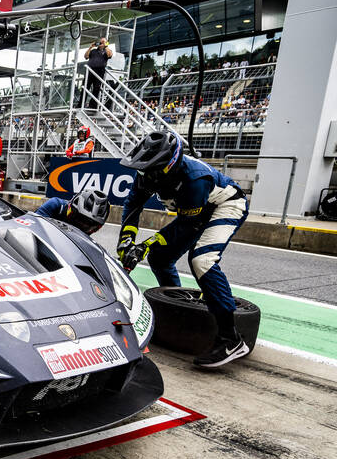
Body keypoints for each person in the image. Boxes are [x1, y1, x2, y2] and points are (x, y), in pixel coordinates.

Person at [116, 131, 249, 368]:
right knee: (160, 257)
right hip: (196, 212)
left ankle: (231, 339)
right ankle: (176, 308)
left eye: (151, 171)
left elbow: (186, 225)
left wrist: (145, 245)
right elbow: (133, 205)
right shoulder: (147, 173)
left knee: (202, 260)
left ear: (169, 166)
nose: (145, 176)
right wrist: (126, 241)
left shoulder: (195, 180)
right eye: (143, 170)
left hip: (225, 206)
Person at [35, 187, 110, 235]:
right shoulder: (54, 205)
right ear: (69, 207)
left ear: (96, 228)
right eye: (78, 219)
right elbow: (34, 226)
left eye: (86, 226)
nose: (78, 227)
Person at [82, 37, 113, 109]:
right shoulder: (93, 51)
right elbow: (86, 56)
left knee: (96, 88)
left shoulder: (107, 51)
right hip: (90, 70)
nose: (101, 43)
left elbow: (109, 55)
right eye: (100, 42)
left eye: (102, 42)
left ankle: (92, 105)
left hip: (99, 71)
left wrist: (106, 46)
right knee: (85, 87)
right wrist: (91, 47)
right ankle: (81, 104)